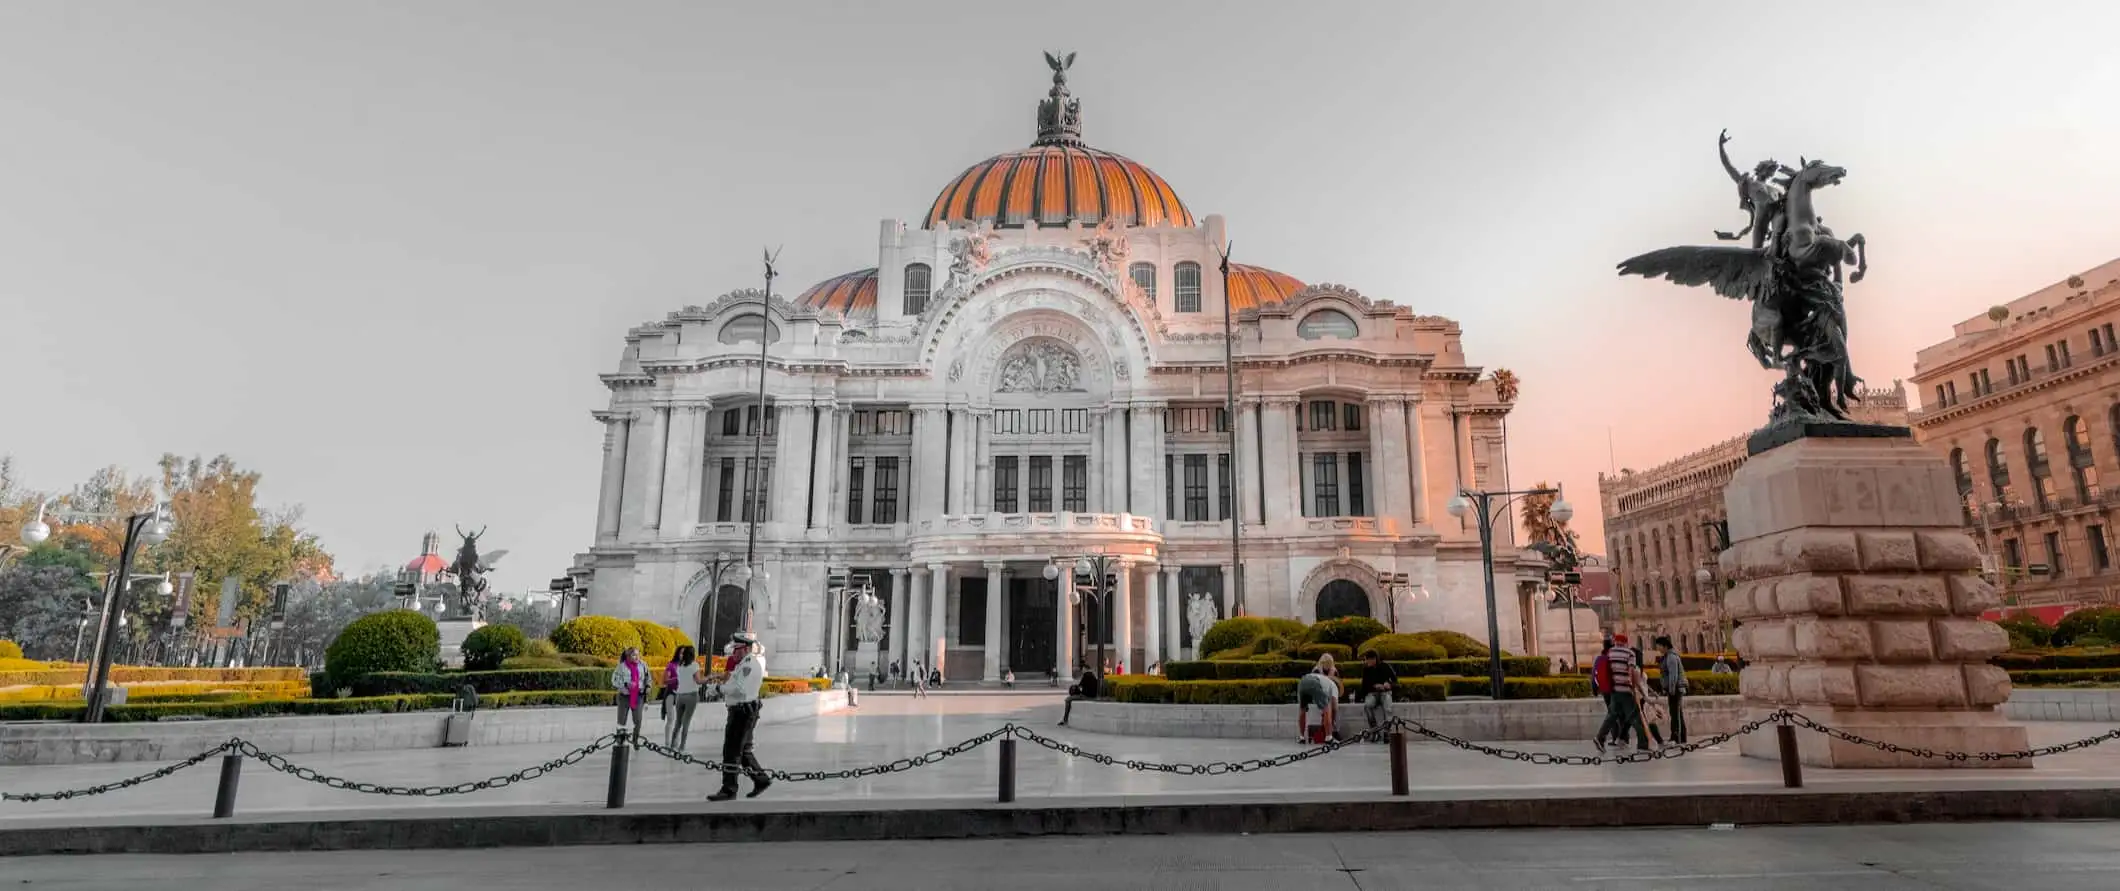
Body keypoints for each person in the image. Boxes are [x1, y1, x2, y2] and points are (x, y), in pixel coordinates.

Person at [707, 632, 770, 801]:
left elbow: (739, 689)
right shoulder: (745, 664)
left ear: (746, 648)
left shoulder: (749, 664)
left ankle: (729, 789)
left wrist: (719, 689)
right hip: (744, 710)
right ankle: (761, 779)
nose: (734, 652)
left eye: (738, 649)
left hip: (742, 712)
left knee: (732, 751)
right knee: (744, 751)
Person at [1593, 634, 1647, 754]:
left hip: (1614, 690)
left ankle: (1600, 737)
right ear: (1626, 642)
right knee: (1636, 717)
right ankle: (1643, 745)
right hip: (1626, 690)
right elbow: (1631, 672)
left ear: (1615, 642)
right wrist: (1633, 689)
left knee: (1612, 715)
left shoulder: (1610, 653)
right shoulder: (1629, 654)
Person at [664, 645, 703, 751]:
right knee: (686, 722)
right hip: (691, 695)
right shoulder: (694, 665)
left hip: (680, 696)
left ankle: (672, 745)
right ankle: (682, 746)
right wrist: (709, 678)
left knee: (678, 722)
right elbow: (698, 681)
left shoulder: (680, 666)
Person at [1654, 636, 1688, 745]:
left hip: (1675, 689)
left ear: (1664, 646)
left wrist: (1671, 689)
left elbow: (1673, 675)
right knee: (1677, 713)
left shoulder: (1671, 657)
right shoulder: (1667, 656)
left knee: (1675, 714)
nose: (1658, 649)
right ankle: (1682, 737)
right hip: (1674, 689)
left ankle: (1675, 737)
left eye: (1659, 646)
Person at [610, 647, 648, 738]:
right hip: (624, 697)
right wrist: (626, 684)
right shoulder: (621, 667)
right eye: (634, 655)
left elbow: (648, 678)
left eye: (638, 655)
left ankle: (635, 738)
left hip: (638, 696)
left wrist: (648, 686)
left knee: (638, 720)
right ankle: (620, 740)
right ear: (628, 656)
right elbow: (614, 680)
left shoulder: (643, 665)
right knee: (621, 721)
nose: (637, 657)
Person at [1297, 662, 1339, 744]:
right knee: (1327, 709)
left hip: (1303, 681)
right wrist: (1332, 722)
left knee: (1302, 709)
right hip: (1314, 682)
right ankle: (1329, 737)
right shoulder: (1333, 685)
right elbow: (1334, 707)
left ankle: (1301, 737)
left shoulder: (1323, 680)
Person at [1359, 651, 1397, 736]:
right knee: (1368, 705)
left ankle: (1387, 731)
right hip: (1372, 694)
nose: (1366, 662)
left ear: (1374, 659)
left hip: (1385, 692)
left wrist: (1389, 685)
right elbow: (1364, 686)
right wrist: (1375, 686)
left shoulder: (1385, 666)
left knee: (1388, 708)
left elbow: (1395, 682)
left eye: (1367, 660)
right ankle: (1374, 730)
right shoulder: (1366, 669)